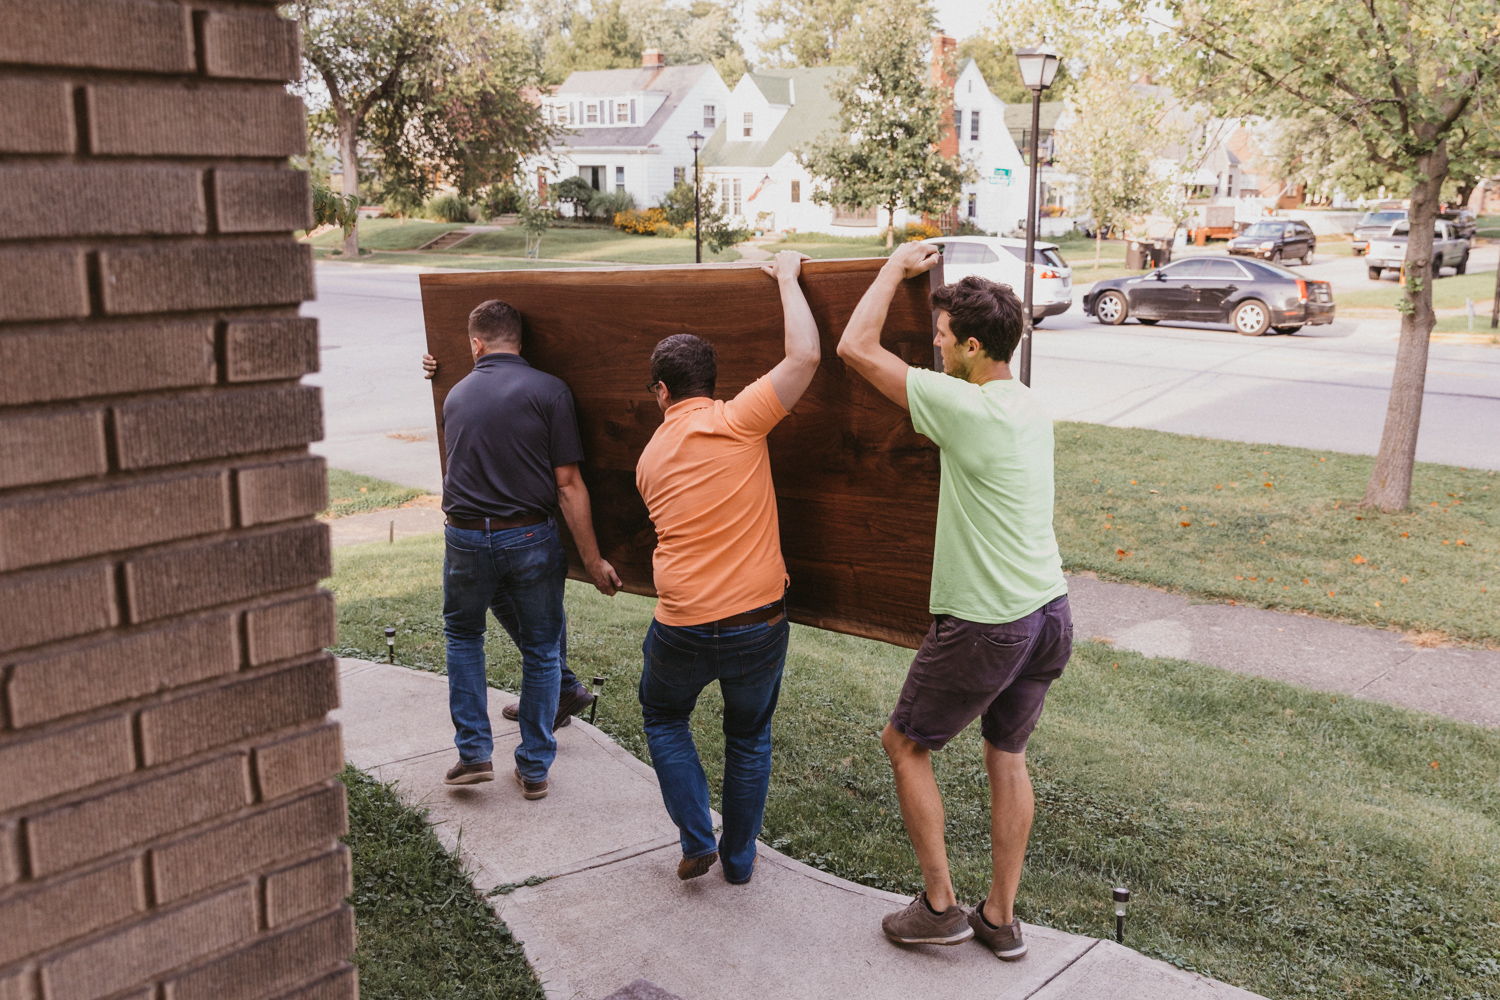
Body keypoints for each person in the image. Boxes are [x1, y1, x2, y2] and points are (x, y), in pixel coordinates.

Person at [835, 243, 1072, 960]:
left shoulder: (960, 405)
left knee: (904, 745)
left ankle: (940, 908)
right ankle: (1000, 918)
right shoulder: (1027, 404)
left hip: (989, 622)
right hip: (1049, 613)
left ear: (972, 346)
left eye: (940, 337)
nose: (932, 346)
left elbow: (854, 347)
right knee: (1008, 756)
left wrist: (893, 269)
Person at [635, 250, 820, 885]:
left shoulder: (649, 460)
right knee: (748, 737)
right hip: (758, 622)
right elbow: (804, 359)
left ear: (661, 390)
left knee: (663, 717)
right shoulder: (741, 420)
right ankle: (739, 862)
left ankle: (695, 837)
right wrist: (788, 279)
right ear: (714, 382)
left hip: (682, 622)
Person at [425, 299, 621, 800]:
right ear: (521, 342)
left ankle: (473, 753)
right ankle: (534, 768)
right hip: (530, 535)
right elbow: (569, 483)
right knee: (540, 650)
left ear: (476, 344)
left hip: (465, 536)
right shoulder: (551, 391)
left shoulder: (456, 395)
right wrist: (594, 558)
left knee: (463, 637)